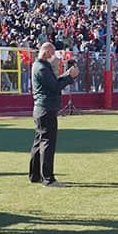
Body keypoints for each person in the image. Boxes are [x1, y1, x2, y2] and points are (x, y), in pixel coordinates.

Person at [29, 42, 79, 186]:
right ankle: (48, 178)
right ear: (46, 52)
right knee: (47, 143)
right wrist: (70, 78)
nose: (54, 57)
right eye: (52, 53)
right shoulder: (42, 68)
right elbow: (55, 86)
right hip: (46, 108)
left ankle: (35, 175)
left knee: (39, 142)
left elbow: (53, 82)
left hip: (42, 109)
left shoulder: (39, 66)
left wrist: (67, 75)